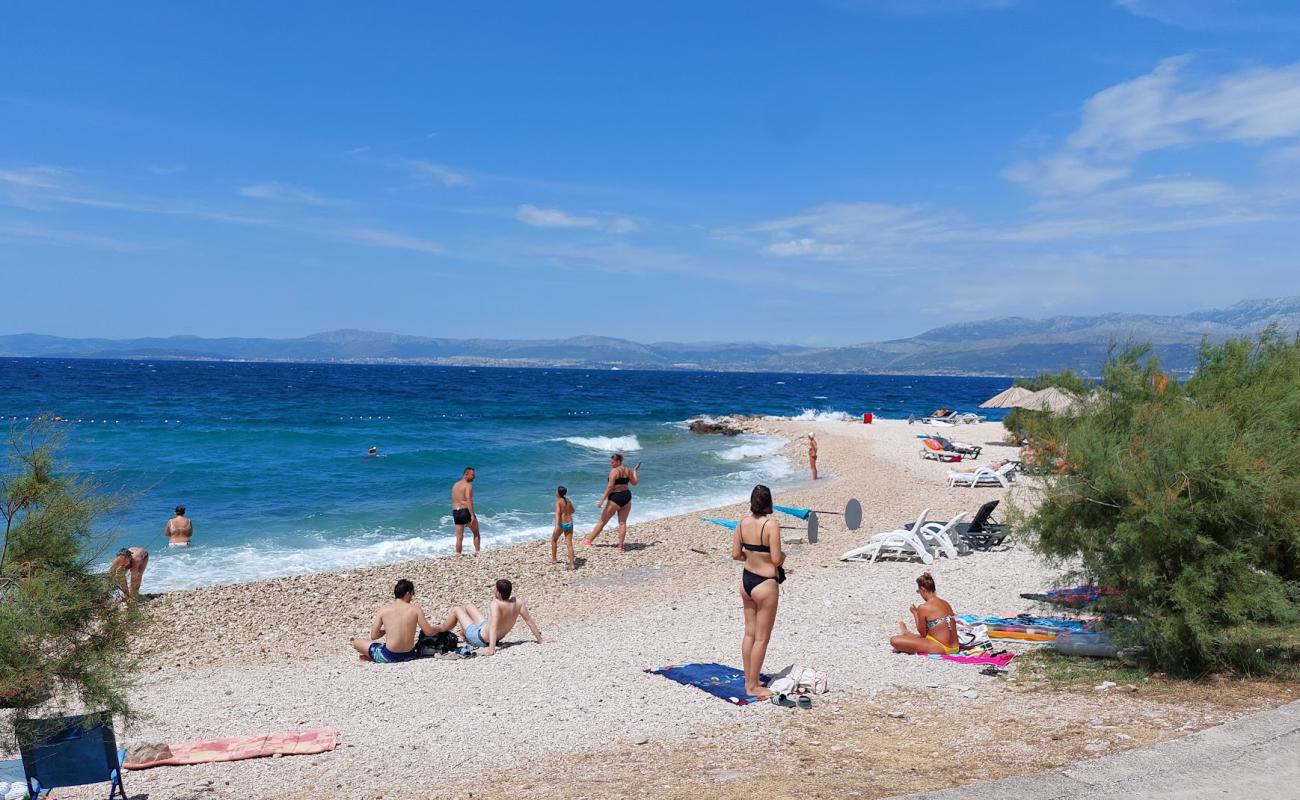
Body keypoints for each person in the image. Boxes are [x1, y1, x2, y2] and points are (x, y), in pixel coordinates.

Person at [732, 484, 784, 699]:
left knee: (749, 633)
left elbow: (736, 554)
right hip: (765, 583)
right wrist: (783, 557)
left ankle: (749, 678)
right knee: (762, 637)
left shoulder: (742, 523)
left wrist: (752, 557)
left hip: (747, 580)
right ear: (769, 502)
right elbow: (775, 559)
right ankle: (753, 685)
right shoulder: (771, 526)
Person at [439, 579, 543, 657]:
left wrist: (491, 648)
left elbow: (494, 626)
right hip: (485, 629)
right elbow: (529, 621)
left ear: (499, 593)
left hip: (480, 638)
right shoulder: (517, 603)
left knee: (457, 609)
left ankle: (441, 630)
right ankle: (463, 634)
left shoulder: (496, 604)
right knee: (469, 606)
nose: (493, 590)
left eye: (495, 589)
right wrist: (540, 640)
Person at [349, 578, 444, 664]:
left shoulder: (384, 610)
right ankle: (371, 658)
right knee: (378, 646)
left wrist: (387, 630)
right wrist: (439, 628)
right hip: (409, 655)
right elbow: (428, 632)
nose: (412, 597)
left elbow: (374, 636)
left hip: (389, 656)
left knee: (356, 642)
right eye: (412, 594)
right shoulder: (415, 609)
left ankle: (372, 657)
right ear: (408, 593)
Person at [890, 572, 959, 655]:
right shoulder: (945, 603)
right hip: (955, 647)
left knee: (894, 640)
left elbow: (923, 634)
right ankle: (907, 634)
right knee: (920, 637)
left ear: (923, 589)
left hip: (941, 648)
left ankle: (907, 635)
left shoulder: (924, 607)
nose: (919, 594)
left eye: (918, 591)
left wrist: (915, 613)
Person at [581, 453, 639, 552]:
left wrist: (602, 500)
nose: (611, 464)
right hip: (626, 496)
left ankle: (589, 541)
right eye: (611, 462)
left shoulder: (614, 471)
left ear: (618, 461)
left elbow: (610, 487)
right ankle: (620, 547)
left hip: (616, 497)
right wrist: (634, 472)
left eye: (612, 462)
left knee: (602, 521)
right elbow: (634, 483)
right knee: (622, 523)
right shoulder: (628, 470)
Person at [451, 467, 479, 555]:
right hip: (465, 511)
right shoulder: (468, 485)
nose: (474, 477)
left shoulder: (455, 485)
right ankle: (478, 552)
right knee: (476, 532)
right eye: (472, 475)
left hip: (456, 512)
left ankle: (458, 554)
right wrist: (471, 514)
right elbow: (469, 500)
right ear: (466, 474)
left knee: (459, 537)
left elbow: (454, 499)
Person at [550, 486, 576, 569]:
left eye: (556, 491)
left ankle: (554, 559)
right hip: (570, 523)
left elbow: (557, 513)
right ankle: (572, 564)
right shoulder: (568, 501)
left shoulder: (558, 502)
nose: (555, 492)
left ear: (558, 493)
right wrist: (566, 512)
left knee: (554, 540)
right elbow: (573, 511)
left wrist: (557, 525)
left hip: (562, 524)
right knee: (569, 544)